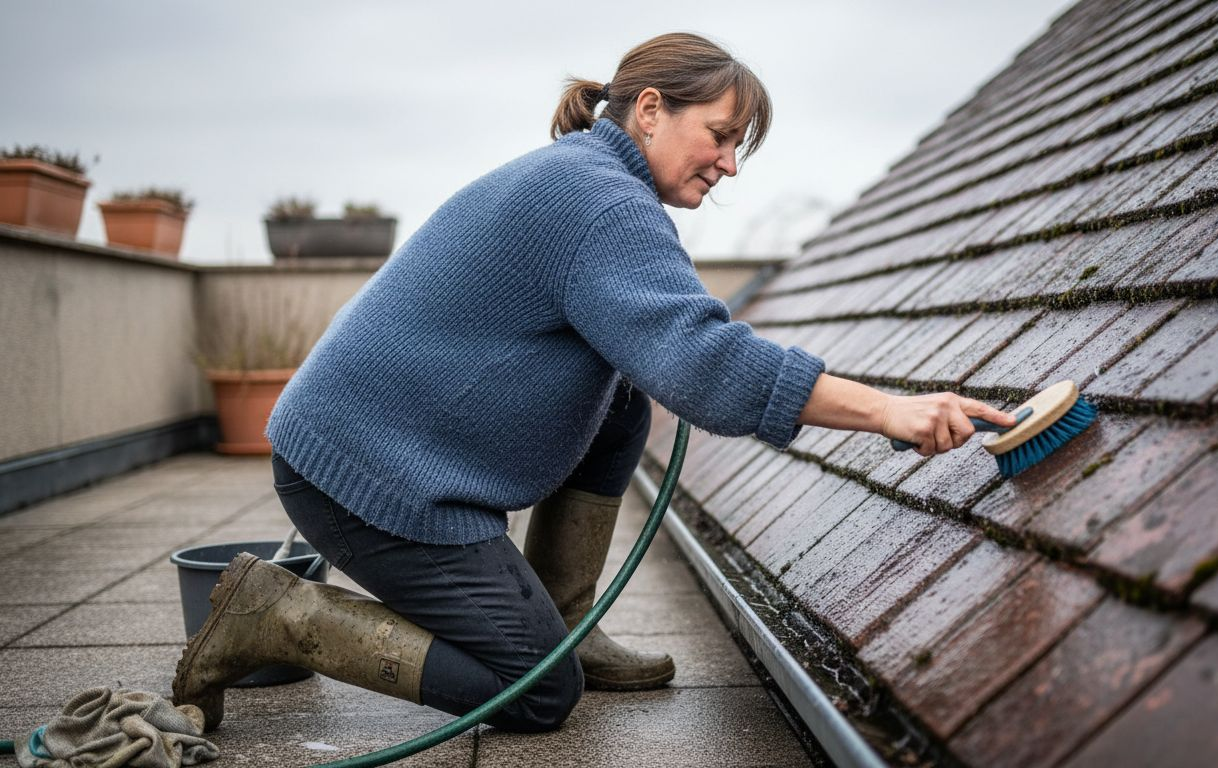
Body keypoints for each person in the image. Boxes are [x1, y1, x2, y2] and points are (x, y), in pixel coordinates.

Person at [172, 32, 1015, 733]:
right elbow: (707, 365)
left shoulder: (592, 181)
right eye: (719, 136)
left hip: (387, 446)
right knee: (537, 693)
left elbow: (664, 346)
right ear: (651, 110)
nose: (729, 165)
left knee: (619, 400)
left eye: (737, 147)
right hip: (364, 475)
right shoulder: (600, 203)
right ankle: (275, 615)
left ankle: (566, 623)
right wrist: (890, 411)